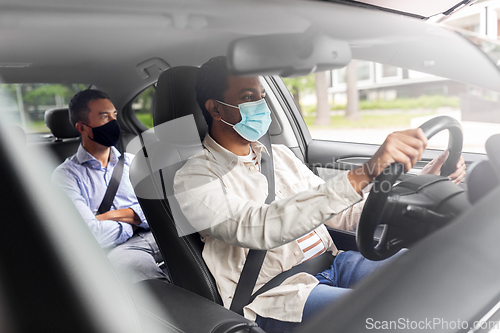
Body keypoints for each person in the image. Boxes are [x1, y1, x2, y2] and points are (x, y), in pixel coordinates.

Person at [174, 56, 466, 332]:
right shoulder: (194, 178)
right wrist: (363, 172)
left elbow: (341, 213)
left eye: (262, 97)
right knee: (384, 313)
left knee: (428, 267)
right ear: (215, 109)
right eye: (249, 97)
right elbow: (259, 227)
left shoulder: (280, 157)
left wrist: (422, 183)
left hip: (334, 262)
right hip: (278, 295)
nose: (262, 106)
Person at [52, 89, 170, 284]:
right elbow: (90, 235)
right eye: (104, 117)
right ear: (83, 127)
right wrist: (134, 223)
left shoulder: (134, 162)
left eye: (114, 115)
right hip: (121, 249)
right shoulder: (66, 176)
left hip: (158, 235)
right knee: (146, 281)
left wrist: (107, 216)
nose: (114, 123)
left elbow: (161, 211)